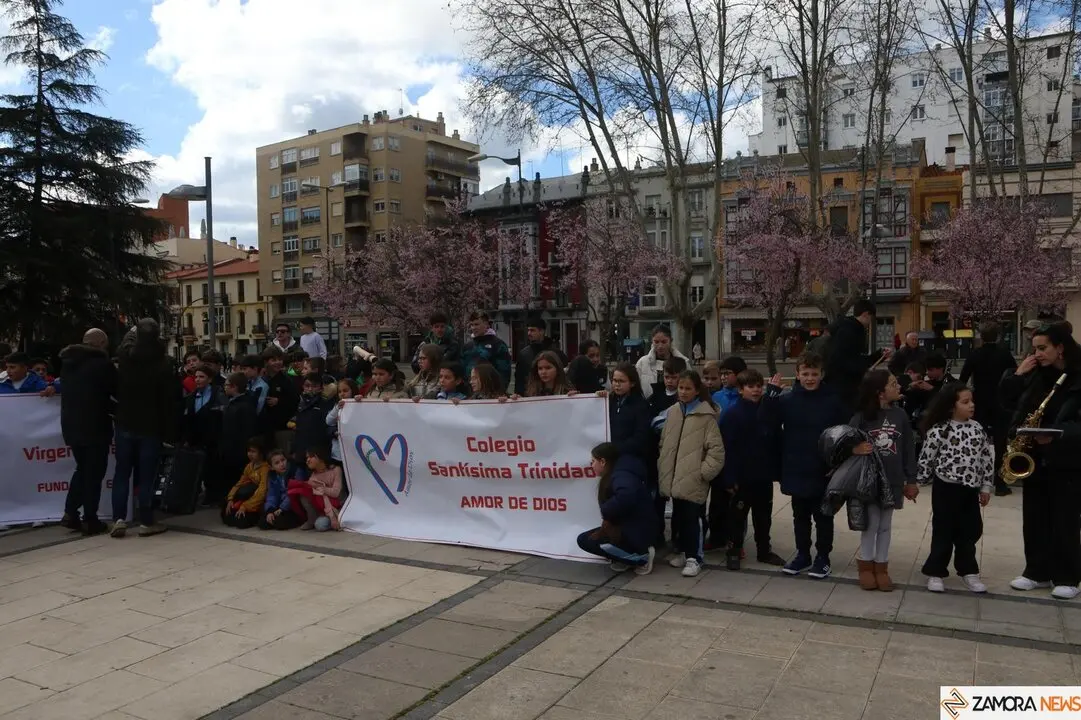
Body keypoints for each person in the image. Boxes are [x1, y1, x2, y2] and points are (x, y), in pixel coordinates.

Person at [999, 322, 1081, 600]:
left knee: (1064, 519)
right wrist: (1018, 375)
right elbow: (1008, 404)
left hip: (1067, 459)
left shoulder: (1077, 377)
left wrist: (1059, 435)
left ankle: (1068, 576)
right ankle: (1036, 571)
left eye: (1042, 348)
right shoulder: (1035, 375)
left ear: (1060, 348)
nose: (1037, 354)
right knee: (1034, 517)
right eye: (1034, 349)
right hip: (1034, 454)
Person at [768, 352, 848, 579]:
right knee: (800, 516)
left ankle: (823, 557)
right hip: (796, 465)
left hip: (824, 468)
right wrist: (771, 395)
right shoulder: (787, 400)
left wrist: (839, 463)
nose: (810, 378)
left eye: (814, 374)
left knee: (823, 516)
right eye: (805, 374)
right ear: (797, 374)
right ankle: (803, 553)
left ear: (822, 374)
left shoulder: (833, 400)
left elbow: (844, 434)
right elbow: (767, 422)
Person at [918, 383, 994, 594]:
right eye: (965, 402)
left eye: (972, 401)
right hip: (946, 488)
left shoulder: (977, 428)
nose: (971, 405)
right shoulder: (940, 430)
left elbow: (986, 459)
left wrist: (986, 486)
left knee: (970, 531)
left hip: (970, 489)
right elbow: (927, 458)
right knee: (943, 530)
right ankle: (936, 571)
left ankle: (968, 571)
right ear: (951, 406)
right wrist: (917, 482)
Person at [849, 370, 918, 592]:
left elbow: (908, 448)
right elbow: (843, 443)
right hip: (868, 481)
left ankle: (882, 567)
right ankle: (866, 566)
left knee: (886, 525)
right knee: (871, 524)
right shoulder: (861, 417)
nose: (898, 387)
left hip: (894, 480)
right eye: (893, 384)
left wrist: (911, 480)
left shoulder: (901, 416)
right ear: (880, 393)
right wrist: (855, 449)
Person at [112, 320, 180, 538]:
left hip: (125, 421)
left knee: (122, 472)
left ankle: (119, 519)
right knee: (147, 475)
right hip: (150, 425)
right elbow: (170, 400)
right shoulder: (162, 363)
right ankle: (147, 521)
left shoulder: (125, 358)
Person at [657, 370, 725, 578]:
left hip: (693, 478)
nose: (683, 392)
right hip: (675, 477)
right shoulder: (673, 412)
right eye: (681, 388)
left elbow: (716, 452)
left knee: (693, 518)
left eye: (688, 388)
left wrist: (702, 474)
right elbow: (665, 442)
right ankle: (683, 551)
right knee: (678, 517)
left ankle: (695, 557)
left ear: (697, 391)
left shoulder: (706, 417)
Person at [719, 369, 786, 569]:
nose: (756, 390)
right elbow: (726, 448)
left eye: (759, 386)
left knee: (763, 516)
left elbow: (776, 440)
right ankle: (733, 550)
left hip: (763, 475)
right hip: (741, 477)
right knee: (737, 517)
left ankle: (764, 550)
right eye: (750, 387)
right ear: (740, 390)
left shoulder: (767, 410)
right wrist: (729, 478)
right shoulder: (733, 414)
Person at [56, 329, 117, 535]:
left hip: (72, 426)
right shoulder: (101, 365)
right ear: (100, 343)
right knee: (94, 473)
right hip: (95, 426)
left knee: (82, 469)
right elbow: (116, 389)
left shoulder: (68, 363)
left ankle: (70, 512)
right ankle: (90, 518)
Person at [575, 442, 656, 575]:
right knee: (586, 538)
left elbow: (626, 495)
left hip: (637, 531)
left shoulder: (621, 475)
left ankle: (642, 558)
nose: (591, 465)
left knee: (588, 541)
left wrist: (607, 511)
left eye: (593, 461)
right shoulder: (618, 473)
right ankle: (626, 557)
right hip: (632, 528)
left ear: (603, 461)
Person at [959, 322, 1018, 496]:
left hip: (980, 403)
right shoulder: (1005, 354)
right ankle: (1000, 483)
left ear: (981, 338)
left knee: (978, 442)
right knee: (1000, 444)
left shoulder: (975, 354)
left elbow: (962, 378)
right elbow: (1015, 375)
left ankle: (976, 480)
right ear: (998, 337)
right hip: (1001, 403)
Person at [823, 299, 889, 411]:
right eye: (871, 319)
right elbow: (848, 360)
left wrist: (878, 356)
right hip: (846, 387)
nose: (870, 323)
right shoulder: (851, 331)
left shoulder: (843, 327)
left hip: (838, 384)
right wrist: (866, 367)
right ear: (866, 314)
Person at [181, 363, 226, 509]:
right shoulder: (191, 397)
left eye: (202, 377)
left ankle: (214, 495)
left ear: (210, 379)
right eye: (196, 377)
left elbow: (222, 415)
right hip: (197, 439)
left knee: (213, 468)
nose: (198, 380)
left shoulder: (217, 394)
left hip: (213, 439)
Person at [288, 445, 345, 531]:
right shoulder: (313, 477)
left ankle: (337, 519)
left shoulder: (335, 470)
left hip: (340, 506)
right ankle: (312, 519)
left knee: (320, 525)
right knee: (303, 492)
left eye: (310, 457)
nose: (307, 460)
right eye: (306, 458)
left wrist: (321, 488)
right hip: (325, 510)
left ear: (319, 457)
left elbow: (336, 493)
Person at [220, 371, 259, 494]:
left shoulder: (244, 406)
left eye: (226, 385)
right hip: (231, 450)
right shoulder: (234, 403)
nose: (224, 387)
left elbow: (246, 431)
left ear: (234, 387)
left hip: (238, 452)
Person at [221, 439, 269, 529]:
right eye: (249, 451)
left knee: (241, 521)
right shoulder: (249, 466)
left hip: (259, 501)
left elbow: (262, 491)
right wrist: (231, 499)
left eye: (253, 451)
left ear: (261, 453)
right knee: (225, 510)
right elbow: (239, 484)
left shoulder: (265, 468)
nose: (250, 454)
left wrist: (246, 506)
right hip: (249, 497)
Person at [260, 346, 298, 455]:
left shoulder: (287, 380)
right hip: (263, 429)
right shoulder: (260, 379)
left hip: (281, 429)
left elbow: (295, 401)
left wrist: (279, 401)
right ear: (266, 362)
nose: (278, 363)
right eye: (274, 360)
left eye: (279, 359)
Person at [514, 318, 568, 395]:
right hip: (530, 395)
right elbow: (519, 379)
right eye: (528, 330)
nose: (529, 333)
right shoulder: (524, 354)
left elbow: (564, 374)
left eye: (532, 330)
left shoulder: (555, 352)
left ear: (541, 331)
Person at [290, 372, 331, 471]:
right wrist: (293, 449)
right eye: (307, 385)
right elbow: (298, 429)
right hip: (301, 450)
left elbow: (326, 428)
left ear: (321, 388)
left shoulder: (326, 404)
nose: (310, 389)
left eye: (314, 386)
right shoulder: (299, 403)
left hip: (318, 452)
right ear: (303, 386)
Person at [636, 325, 689, 400]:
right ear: (652, 341)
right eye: (656, 342)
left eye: (664, 342)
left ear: (670, 341)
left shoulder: (683, 363)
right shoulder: (642, 363)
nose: (660, 346)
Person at [461, 311, 512, 390]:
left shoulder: (498, 345)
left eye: (477, 324)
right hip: (470, 395)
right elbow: (462, 371)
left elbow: (504, 373)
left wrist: (499, 392)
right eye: (472, 325)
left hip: (490, 393)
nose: (473, 328)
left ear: (486, 324)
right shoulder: (467, 347)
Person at [261, 449, 303, 530]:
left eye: (283, 460)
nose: (282, 464)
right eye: (277, 463)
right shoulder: (273, 476)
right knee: (264, 522)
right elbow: (271, 495)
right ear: (271, 467)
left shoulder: (296, 471)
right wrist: (270, 511)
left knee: (280, 522)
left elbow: (293, 493)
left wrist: (282, 508)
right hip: (280, 507)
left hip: (294, 506)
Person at [327, 379, 358, 464]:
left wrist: (358, 401)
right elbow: (328, 421)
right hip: (338, 452)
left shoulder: (358, 404)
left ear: (353, 390)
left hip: (355, 452)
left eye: (345, 390)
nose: (342, 394)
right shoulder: (338, 405)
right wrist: (337, 408)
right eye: (339, 391)